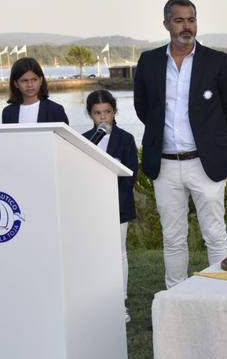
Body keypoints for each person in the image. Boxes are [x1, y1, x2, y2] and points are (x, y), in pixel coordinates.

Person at [134, 0, 227, 289]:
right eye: (180, 20)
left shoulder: (218, 62)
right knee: (172, 237)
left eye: (191, 20)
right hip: (166, 165)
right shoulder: (148, 62)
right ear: (166, 23)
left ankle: (222, 296)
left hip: (205, 163)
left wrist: (211, 138)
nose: (187, 26)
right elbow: (144, 109)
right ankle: (176, 299)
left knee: (215, 233)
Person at [83, 89, 137, 322]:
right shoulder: (85, 139)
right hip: (91, 206)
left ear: (114, 112)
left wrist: (113, 201)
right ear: (90, 115)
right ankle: (96, 300)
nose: (103, 117)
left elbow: (130, 175)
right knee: (94, 253)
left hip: (118, 205)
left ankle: (120, 301)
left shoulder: (125, 139)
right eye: (97, 113)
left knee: (118, 253)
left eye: (107, 112)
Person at [1, 57, 69, 124]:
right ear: (16, 84)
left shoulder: (55, 110)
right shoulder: (8, 113)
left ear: (41, 81)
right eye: (24, 81)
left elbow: (65, 135)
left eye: (34, 80)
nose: (30, 85)